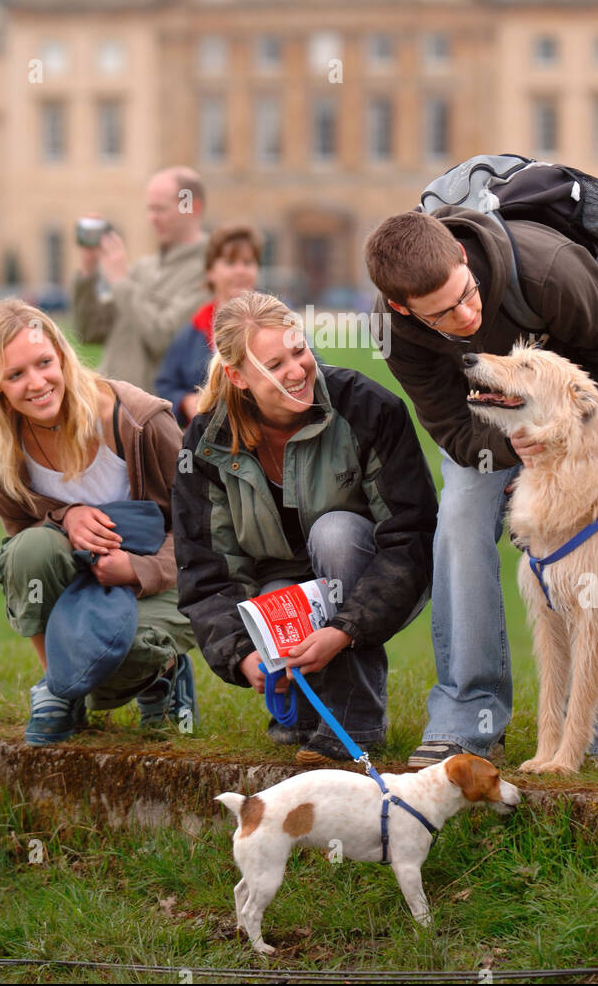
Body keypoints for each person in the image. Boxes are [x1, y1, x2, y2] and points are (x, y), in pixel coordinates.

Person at [364, 207, 598, 770]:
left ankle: (595, 722)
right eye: (444, 313)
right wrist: (512, 452)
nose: (466, 314)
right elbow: (448, 422)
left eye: (466, 293)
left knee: (589, 539)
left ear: (464, 259)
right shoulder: (393, 329)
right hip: (489, 415)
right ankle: (466, 715)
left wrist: (570, 442)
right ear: (402, 309)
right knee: (462, 518)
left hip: (594, 389)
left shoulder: (550, 271)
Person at [172, 290, 438, 764]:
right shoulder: (206, 441)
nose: (298, 371)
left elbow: (411, 537)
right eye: (275, 365)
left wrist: (344, 629)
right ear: (237, 376)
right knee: (277, 589)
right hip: (281, 589)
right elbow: (205, 568)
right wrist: (241, 654)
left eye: (301, 351)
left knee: (334, 533)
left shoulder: (369, 408)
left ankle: (355, 721)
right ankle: (303, 700)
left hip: (374, 577)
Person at [0, 298, 199, 745]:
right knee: (31, 551)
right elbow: (24, 547)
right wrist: (66, 516)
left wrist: (139, 570)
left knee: (115, 665)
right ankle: (57, 686)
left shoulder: (140, 420)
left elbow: (204, 528)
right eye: (15, 375)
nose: (36, 384)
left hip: (164, 574)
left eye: (43, 363)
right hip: (80, 578)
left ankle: (163, 674)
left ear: (62, 355)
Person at [72, 166, 209, 392]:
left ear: (192, 207)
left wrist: (120, 281)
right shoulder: (143, 269)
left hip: (149, 416)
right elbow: (89, 331)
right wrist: (89, 270)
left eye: (160, 209)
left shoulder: (209, 272)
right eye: (149, 209)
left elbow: (165, 340)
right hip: (106, 406)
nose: (151, 219)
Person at [156, 224, 262, 425]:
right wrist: (185, 402)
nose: (241, 270)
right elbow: (166, 384)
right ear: (210, 271)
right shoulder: (193, 329)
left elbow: (312, 370)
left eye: (248, 262)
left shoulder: (281, 321)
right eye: (230, 262)